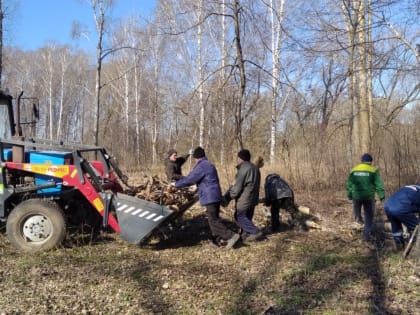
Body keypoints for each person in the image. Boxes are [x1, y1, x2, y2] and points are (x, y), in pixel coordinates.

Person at [175, 146, 240, 249]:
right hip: (214, 195)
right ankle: (215, 241)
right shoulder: (209, 164)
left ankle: (231, 236)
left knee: (213, 220)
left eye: (195, 158)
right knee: (214, 219)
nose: (195, 160)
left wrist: (175, 185)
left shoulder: (202, 166)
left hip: (210, 196)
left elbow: (190, 178)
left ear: (197, 157)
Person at [223, 149, 262, 243]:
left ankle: (255, 231)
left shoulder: (244, 169)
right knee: (247, 217)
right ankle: (245, 236)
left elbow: (237, 187)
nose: (237, 160)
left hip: (244, 199)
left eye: (238, 158)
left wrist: (227, 198)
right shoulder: (255, 168)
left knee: (239, 216)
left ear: (241, 158)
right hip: (253, 199)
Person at [346, 153, 385, 241]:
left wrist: (349, 196)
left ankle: (356, 231)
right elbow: (379, 185)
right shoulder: (373, 170)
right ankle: (366, 237)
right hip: (368, 197)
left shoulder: (354, 170)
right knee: (368, 217)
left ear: (362, 161)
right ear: (370, 161)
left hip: (356, 196)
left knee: (357, 215)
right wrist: (382, 197)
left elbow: (349, 185)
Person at [384, 185, 420, 251]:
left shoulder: (412, 187)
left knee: (396, 229)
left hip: (388, 205)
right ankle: (414, 249)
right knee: (417, 228)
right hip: (401, 208)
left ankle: (399, 249)